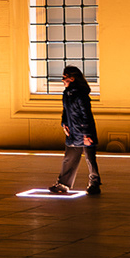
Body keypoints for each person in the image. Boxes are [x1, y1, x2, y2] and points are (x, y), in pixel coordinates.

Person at [49, 66, 101, 195]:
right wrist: (64, 124)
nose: (62, 80)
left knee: (90, 158)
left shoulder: (81, 95)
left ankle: (94, 183)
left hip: (83, 131)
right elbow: (65, 111)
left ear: (72, 79)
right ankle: (63, 184)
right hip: (72, 131)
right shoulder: (67, 94)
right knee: (69, 158)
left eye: (64, 77)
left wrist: (87, 135)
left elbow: (86, 115)